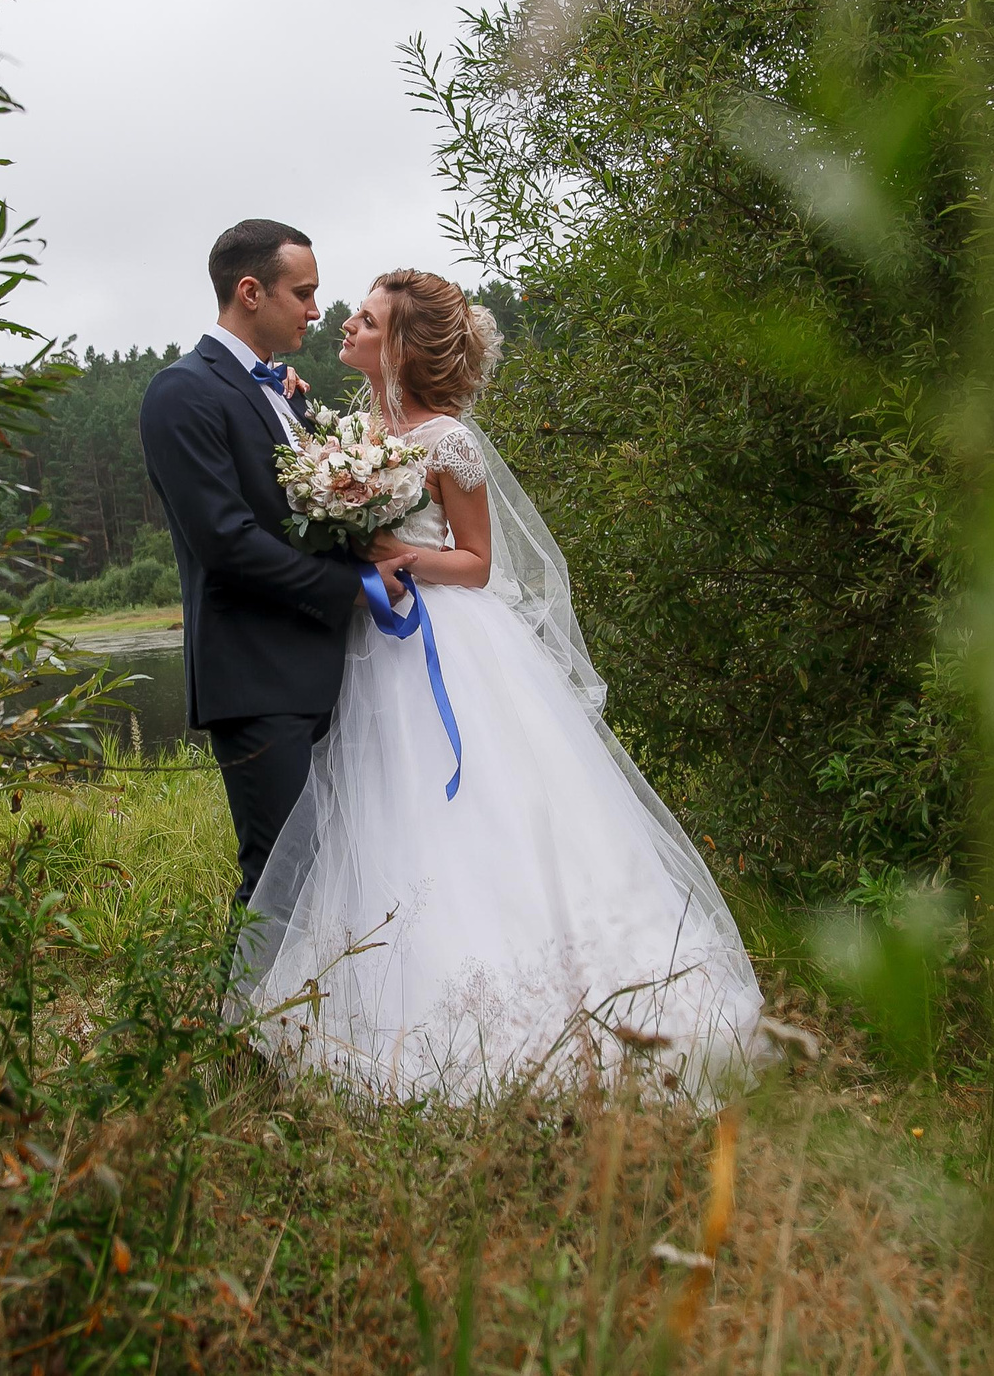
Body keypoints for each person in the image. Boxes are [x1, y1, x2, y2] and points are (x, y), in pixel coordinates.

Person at [237, 269, 772, 1105]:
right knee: (383, 811)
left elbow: (479, 564)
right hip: (370, 646)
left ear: (401, 345)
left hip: (445, 644)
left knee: (480, 813)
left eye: (366, 317)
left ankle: (543, 1021)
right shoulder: (348, 429)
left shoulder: (449, 439)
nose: (346, 319)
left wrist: (398, 559)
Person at [137, 220, 405, 907]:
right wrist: (355, 587)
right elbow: (226, 543)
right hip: (255, 678)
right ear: (250, 291)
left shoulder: (288, 392)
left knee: (344, 874)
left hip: (330, 671)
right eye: (304, 293)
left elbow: (318, 511)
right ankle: (243, 1018)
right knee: (284, 880)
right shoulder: (180, 392)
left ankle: (327, 1019)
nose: (317, 311)